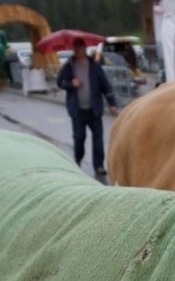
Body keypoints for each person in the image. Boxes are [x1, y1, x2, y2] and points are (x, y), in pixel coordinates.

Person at [56, 36, 119, 178]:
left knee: (98, 139)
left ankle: (99, 166)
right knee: (79, 138)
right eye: (75, 48)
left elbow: (105, 85)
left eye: (80, 48)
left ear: (85, 49)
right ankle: (77, 160)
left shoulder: (94, 66)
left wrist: (112, 103)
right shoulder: (68, 67)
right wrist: (71, 84)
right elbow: (60, 82)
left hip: (94, 110)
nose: (78, 50)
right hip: (77, 111)